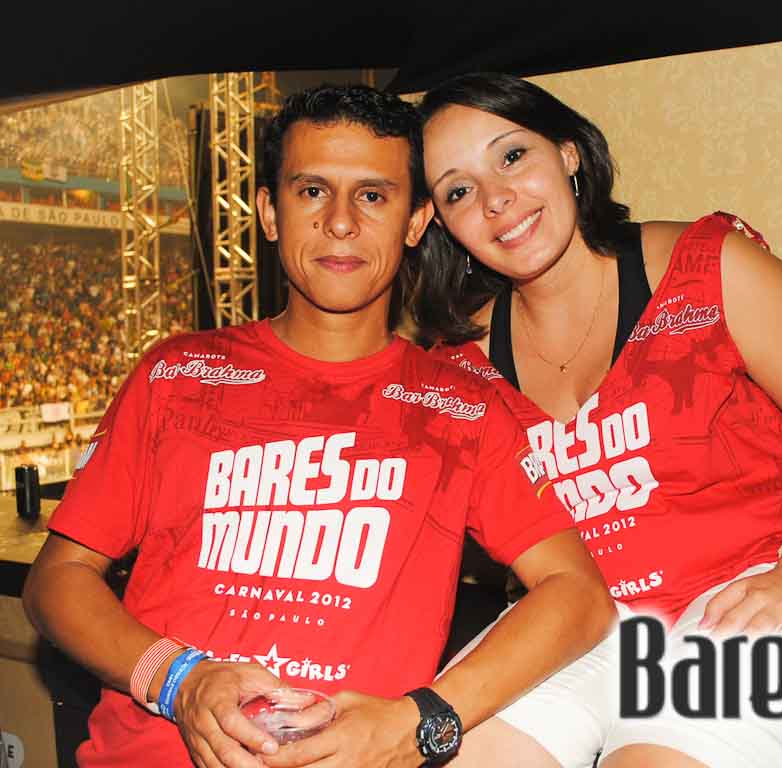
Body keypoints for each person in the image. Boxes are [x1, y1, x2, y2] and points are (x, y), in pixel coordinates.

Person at [22, 84, 616, 768]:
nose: (340, 223)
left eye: (373, 196)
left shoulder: (464, 407)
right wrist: (178, 679)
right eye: (312, 192)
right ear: (269, 213)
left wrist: (422, 721)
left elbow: (578, 595)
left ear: (415, 222)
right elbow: (57, 579)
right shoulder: (176, 374)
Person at [413, 72, 782, 768]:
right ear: (440, 224)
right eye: (458, 191)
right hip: (588, 616)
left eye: (513, 156)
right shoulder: (458, 367)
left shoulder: (703, 269)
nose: (495, 199)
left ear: (568, 152)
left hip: (772, 578)